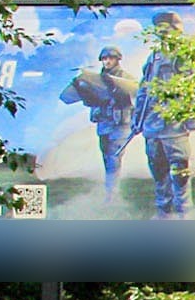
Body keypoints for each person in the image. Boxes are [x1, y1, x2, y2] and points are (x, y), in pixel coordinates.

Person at [56, 46, 136, 199]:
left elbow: (134, 96)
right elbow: (89, 100)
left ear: (117, 59)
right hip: (104, 123)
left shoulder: (126, 78)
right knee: (107, 157)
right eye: (105, 59)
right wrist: (82, 88)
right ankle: (110, 191)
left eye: (110, 58)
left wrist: (116, 90)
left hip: (120, 124)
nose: (107, 61)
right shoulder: (97, 79)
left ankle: (112, 194)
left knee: (114, 157)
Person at [136, 15, 191, 218]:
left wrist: (191, 120)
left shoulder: (183, 55)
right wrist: (137, 121)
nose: (162, 32)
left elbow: (192, 89)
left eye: (167, 28)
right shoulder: (154, 57)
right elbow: (143, 90)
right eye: (159, 28)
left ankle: (184, 212)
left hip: (174, 126)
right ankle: (164, 212)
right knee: (158, 172)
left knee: (179, 172)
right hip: (153, 127)